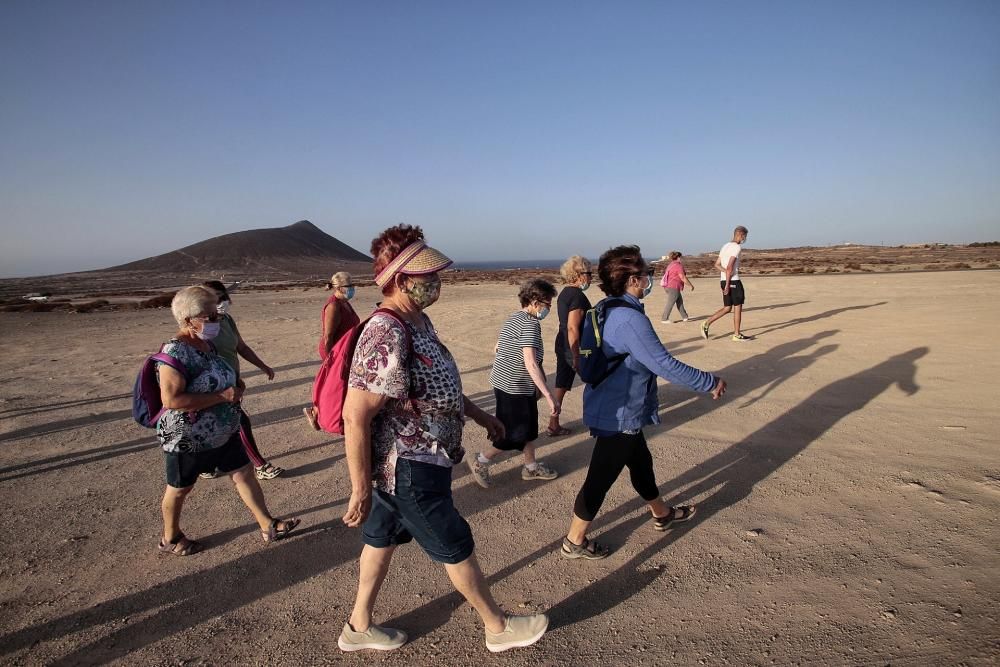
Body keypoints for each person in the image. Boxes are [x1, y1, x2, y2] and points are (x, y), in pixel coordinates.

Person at [338, 224, 548, 653]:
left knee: (381, 538)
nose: (437, 282)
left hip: (416, 459)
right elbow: (355, 414)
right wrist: (359, 487)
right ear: (398, 281)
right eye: (426, 277)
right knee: (454, 542)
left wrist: (480, 414)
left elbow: (437, 384)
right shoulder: (385, 330)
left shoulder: (419, 320)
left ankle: (358, 627)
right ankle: (497, 626)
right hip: (409, 463)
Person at [561, 246, 726, 560]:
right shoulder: (627, 318)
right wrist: (709, 381)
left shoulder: (605, 307)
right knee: (600, 477)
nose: (649, 278)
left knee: (640, 462)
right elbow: (663, 364)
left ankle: (661, 513)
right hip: (619, 413)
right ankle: (574, 540)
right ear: (632, 279)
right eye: (645, 273)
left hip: (614, 407)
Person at [156, 286, 299, 556]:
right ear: (188, 321)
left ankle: (268, 524)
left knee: (244, 473)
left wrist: (235, 384)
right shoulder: (174, 353)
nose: (216, 321)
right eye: (209, 317)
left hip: (223, 429)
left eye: (216, 315)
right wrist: (222, 394)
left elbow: (218, 372)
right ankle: (171, 537)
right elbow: (172, 400)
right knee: (180, 488)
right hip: (189, 437)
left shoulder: (206, 344)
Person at [466, 279, 560, 489]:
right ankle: (481, 460)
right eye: (547, 304)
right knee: (513, 433)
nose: (549, 309)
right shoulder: (530, 324)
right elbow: (531, 363)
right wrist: (548, 395)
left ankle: (531, 466)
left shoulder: (514, 317)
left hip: (504, 382)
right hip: (514, 388)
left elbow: (497, 347)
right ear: (535, 302)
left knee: (527, 428)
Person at [200, 281, 284, 481]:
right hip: (212, 385)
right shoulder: (202, 326)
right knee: (239, 422)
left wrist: (263, 366)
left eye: (223, 296)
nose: (222, 302)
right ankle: (259, 465)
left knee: (214, 424)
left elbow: (242, 347)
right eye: (216, 298)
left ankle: (206, 464)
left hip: (232, 380)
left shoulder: (227, 320)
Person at [303, 271, 360, 430]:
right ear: (340, 288)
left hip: (345, 351)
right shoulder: (334, 306)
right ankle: (318, 413)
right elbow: (328, 336)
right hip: (334, 352)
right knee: (334, 386)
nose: (352, 289)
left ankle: (321, 412)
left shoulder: (345, 303)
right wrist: (330, 360)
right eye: (349, 286)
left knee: (338, 385)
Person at [548, 255, 592, 437]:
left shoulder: (565, 293)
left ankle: (553, 424)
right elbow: (573, 327)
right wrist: (576, 355)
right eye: (589, 273)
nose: (591, 276)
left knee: (562, 383)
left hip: (562, 342)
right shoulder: (578, 296)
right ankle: (603, 419)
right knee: (595, 380)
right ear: (579, 275)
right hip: (573, 345)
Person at [701, 226, 750, 341]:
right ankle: (737, 334)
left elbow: (717, 264)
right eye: (745, 236)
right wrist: (729, 281)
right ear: (741, 235)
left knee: (727, 308)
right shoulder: (736, 247)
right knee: (737, 307)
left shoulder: (725, 246)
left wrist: (727, 275)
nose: (745, 239)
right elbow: (729, 266)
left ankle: (706, 323)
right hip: (733, 281)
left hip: (723, 280)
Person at [659, 251, 695, 323]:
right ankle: (664, 319)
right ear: (678, 257)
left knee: (679, 302)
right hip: (673, 287)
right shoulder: (678, 266)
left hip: (669, 286)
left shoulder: (671, 264)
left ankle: (685, 317)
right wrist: (690, 285)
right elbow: (682, 277)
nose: (682, 258)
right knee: (670, 302)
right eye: (681, 257)